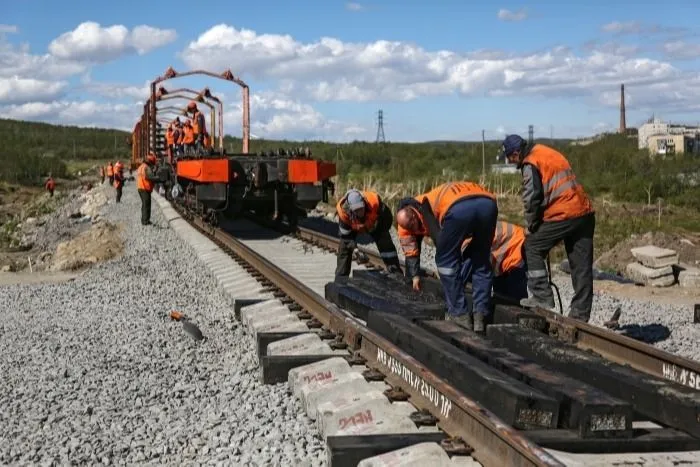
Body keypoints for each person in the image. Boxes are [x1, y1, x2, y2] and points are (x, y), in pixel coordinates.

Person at [500, 134, 595, 322]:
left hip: (564, 213)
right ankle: (580, 316)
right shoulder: (546, 152)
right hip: (584, 212)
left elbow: (531, 197)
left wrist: (532, 225)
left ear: (517, 153)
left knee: (532, 246)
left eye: (510, 157)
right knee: (581, 267)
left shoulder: (530, 162)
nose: (511, 162)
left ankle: (542, 296)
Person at [396, 182, 498, 331]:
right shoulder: (405, 223)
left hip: (460, 208)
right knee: (481, 259)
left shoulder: (424, 207)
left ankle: (459, 314)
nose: (414, 228)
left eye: (414, 223)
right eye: (410, 227)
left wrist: (452, 266)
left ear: (413, 212)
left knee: (444, 261)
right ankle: (481, 315)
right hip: (488, 205)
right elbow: (411, 251)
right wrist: (414, 276)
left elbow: (441, 244)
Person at [399, 216, 528, 304]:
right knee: (499, 295)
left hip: (517, 248)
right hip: (503, 254)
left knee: (512, 299)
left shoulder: (467, 242)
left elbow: (468, 265)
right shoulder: (462, 236)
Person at [335, 189, 401, 277]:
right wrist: (356, 250)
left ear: (364, 202)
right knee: (344, 247)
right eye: (357, 210)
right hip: (353, 227)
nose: (360, 211)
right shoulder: (343, 214)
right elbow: (346, 237)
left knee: (384, 239)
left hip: (373, 224)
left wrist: (378, 228)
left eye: (361, 208)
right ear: (350, 209)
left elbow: (388, 218)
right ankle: (341, 278)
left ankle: (394, 270)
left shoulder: (374, 203)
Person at [137, 152, 160, 225]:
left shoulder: (141, 166)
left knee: (144, 204)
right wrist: (158, 179)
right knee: (147, 205)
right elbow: (149, 177)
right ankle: (145, 221)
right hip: (145, 188)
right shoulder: (146, 167)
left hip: (140, 187)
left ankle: (144, 220)